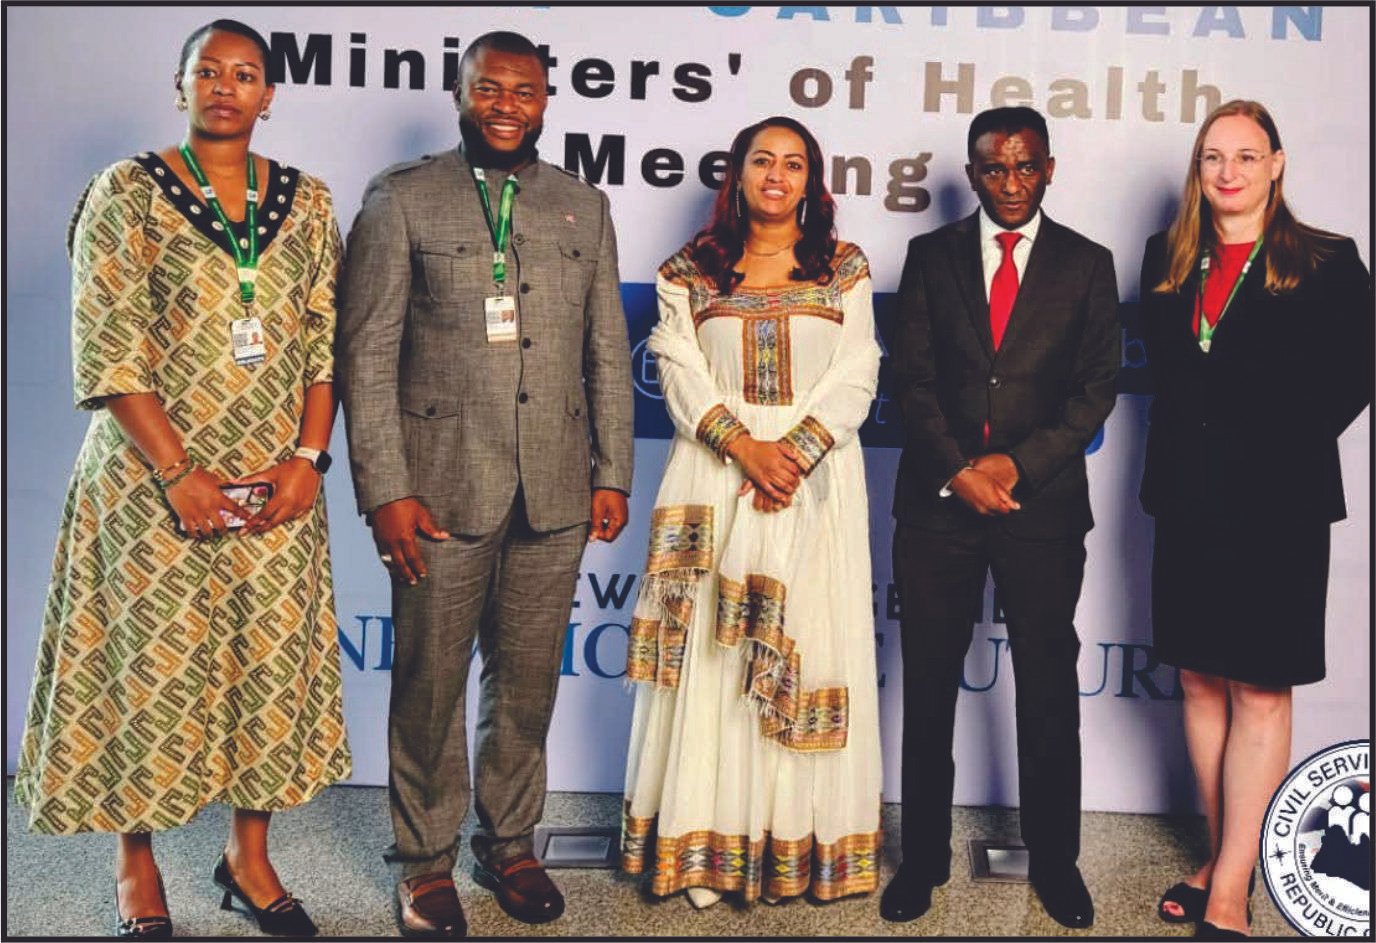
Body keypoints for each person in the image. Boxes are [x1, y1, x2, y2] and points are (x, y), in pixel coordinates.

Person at [14, 18, 350, 939]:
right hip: (147, 481)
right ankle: (137, 863)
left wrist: (308, 461)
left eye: (246, 74)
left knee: (263, 666)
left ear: (270, 95)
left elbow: (325, 343)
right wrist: (176, 472)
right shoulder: (125, 191)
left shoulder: (309, 202)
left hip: (272, 485)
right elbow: (109, 342)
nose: (226, 86)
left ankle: (248, 856)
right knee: (147, 667)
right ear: (180, 85)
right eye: (209, 70)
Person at [336, 30, 634, 941]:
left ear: (546, 102)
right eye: (490, 89)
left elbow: (607, 351)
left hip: (556, 490)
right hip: (437, 491)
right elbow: (366, 353)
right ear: (461, 94)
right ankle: (423, 863)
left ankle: (508, 844)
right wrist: (385, 489)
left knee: (528, 681)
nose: (508, 105)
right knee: (429, 683)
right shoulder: (401, 197)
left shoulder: (582, 205)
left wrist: (613, 472)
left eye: (525, 91)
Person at [620, 116, 883, 908]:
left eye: (793, 163)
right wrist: (745, 448)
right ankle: (707, 853)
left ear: (811, 181)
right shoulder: (689, 270)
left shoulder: (843, 267)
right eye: (762, 160)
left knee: (808, 645)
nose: (776, 175)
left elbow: (858, 372)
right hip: (716, 478)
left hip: (813, 484)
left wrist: (790, 454)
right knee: (713, 662)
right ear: (736, 174)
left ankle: (796, 850)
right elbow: (677, 370)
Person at [1139, 100, 1373, 940]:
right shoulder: (1166, 257)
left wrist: (1269, 447)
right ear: (1198, 170)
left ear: (1276, 163)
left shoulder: (1328, 259)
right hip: (1187, 496)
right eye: (1213, 156)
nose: (1228, 171)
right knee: (1201, 680)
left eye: (1245, 155)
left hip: (1278, 503)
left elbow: (1355, 375)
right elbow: (1175, 378)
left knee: (1261, 687)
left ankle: (1232, 885)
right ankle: (1221, 853)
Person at [883, 106, 1119, 929]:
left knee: (1048, 687)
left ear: (1049, 167)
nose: (1011, 183)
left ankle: (1056, 862)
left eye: (1025, 167)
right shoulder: (930, 256)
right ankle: (921, 862)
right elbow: (910, 381)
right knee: (928, 686)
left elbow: (1095, 389)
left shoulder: (1088, 263)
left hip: (1041, 507)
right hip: (938, 506)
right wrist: (959, 470)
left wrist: (1016, 465)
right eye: (994, 168)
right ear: (971, 173)